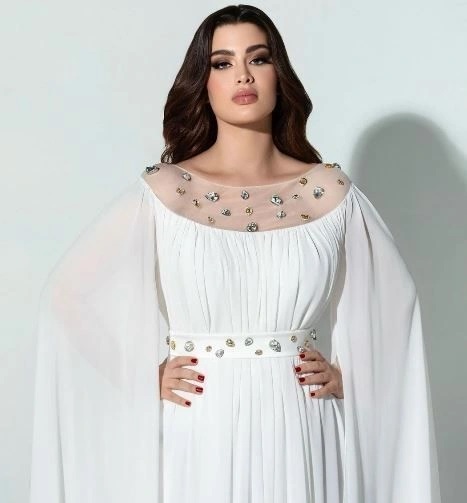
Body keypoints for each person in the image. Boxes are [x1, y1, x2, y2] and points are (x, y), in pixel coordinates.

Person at [29, 4, 441, 503]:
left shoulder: (329, 191)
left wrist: (349, 375)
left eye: (258, 58)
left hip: (301, 425)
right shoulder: (166, 190)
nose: (243, 75)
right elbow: (68, 298)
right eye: (222, 63)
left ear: (278, 74)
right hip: (200, 422)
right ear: (202, 82)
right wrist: (140, 374)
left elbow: (396, 305)